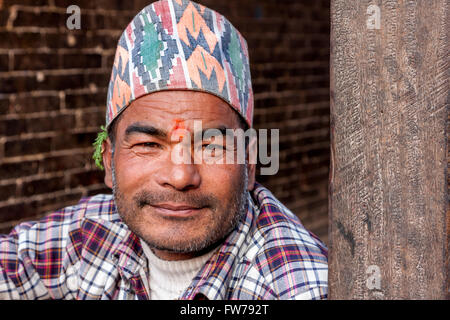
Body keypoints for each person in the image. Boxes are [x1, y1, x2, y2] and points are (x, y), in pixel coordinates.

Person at [0, 0, 328, 300]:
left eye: (210, 146)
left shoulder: (294, 285)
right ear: (109, 164)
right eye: (148, 145)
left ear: (251, 161)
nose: (180, 175)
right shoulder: (92, 234)